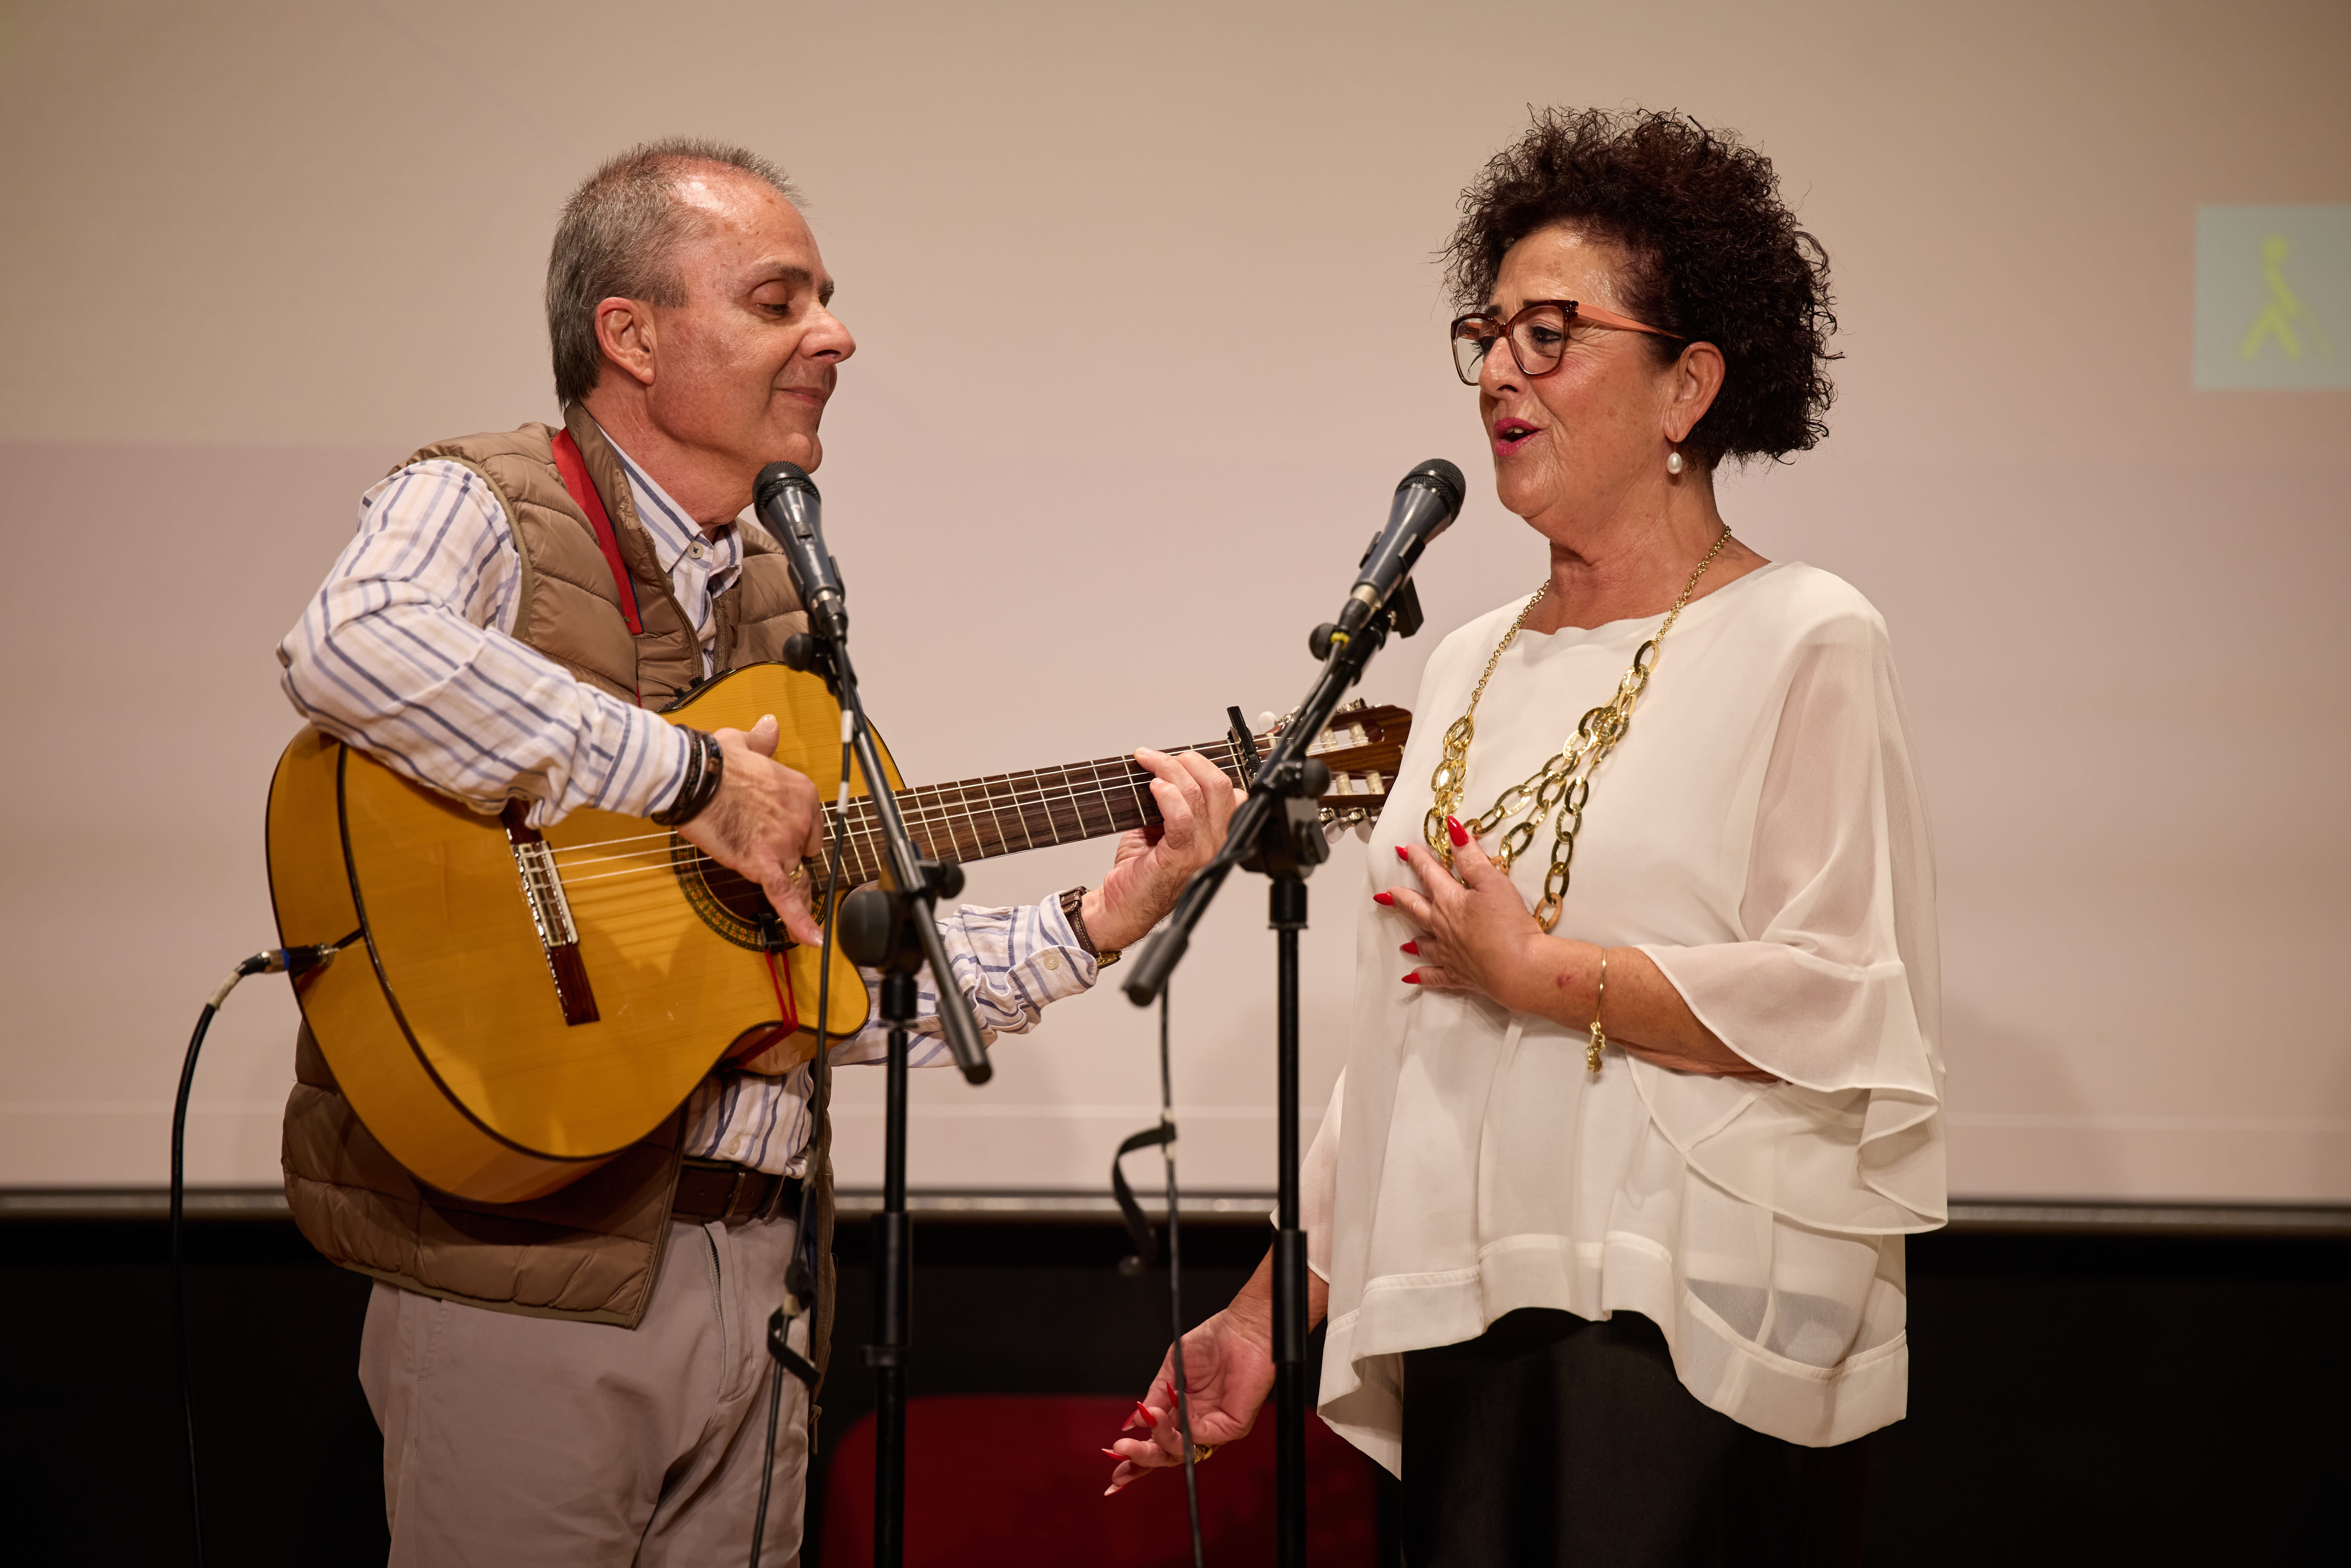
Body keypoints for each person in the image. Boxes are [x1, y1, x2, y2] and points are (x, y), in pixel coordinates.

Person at [275, 137, 1236, 1566]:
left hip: (766, 1280)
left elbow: (813, 983)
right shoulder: (484, 495)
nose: (833, 335)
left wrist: (1101, 919)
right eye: (780, 300)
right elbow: (348, 642)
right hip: (523, 1290)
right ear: (632, 335)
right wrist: (682, 777)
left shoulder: (791, 592)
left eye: (825, 299)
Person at [1106, 108, 1944, 1565]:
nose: (1498, 370)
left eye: (1550, 333)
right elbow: (1402, 1047)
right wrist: (1261, 1316)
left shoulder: (1805, 634)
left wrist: (1544, 975)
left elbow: (1840, 1000)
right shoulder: (1467, 658)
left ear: (1687, 385)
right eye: (1485, 334)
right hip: (1453, 1310)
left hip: (1675, 1335)